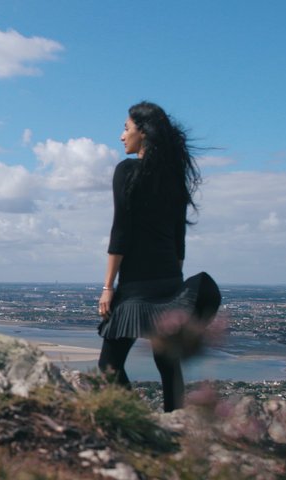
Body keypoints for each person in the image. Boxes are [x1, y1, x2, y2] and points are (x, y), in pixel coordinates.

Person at [96, 101, 206, 412]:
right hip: (171, 279)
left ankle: (139, 420)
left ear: (142, 133)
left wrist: (108, 286)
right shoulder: (174, 178)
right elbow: (179, 239)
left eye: (126, 128)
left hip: (137, 284)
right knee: (168, 363)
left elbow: (121, 230)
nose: (121, 136)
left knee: (108, 365)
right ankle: (177, 424)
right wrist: (174, 282)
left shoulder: (127, 171)